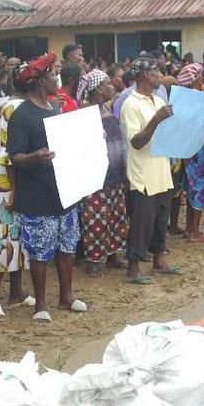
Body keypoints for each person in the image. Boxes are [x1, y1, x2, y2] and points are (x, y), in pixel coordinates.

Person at [7, 53, 87, 322]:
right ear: (41, 81)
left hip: (63, 191)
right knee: (40, 252)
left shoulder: (54, 108)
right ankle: (40, 304)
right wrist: (34, 157)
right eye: (54, 75)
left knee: (67, 247)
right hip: (37, 194)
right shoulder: (22, 115)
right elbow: (14, 156)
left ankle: (67, 296)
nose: (58, 80)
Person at [121, 56, 181, 283]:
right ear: (145, 75)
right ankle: (133, 268)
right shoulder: (131, 104)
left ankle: (158, 259)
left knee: (160, 220)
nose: (160, 77)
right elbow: (136, 142)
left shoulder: (157, 100)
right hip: (142, 173)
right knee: (141, 223)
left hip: (161, 169)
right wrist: (156, 119)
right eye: (157, 73)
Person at [0, 91, 34, 321]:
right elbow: (9, 151)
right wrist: (12, 188)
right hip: (6, 176)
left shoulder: (23, 104)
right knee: (3, 233)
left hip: (19, 175)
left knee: (17, 234)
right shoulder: (14, 106)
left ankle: (16, 292)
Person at [78, 69, 129, 276]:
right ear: (98, 89)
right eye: (107, 84)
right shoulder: (84, 114)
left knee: (116, 215)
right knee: (96, 218)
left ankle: (113, 254)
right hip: (95, 176)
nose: (112, 87)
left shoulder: (107, 110)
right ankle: (94, 260)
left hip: (115, 173)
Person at [173, 63, 204, 242]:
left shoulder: (181, 98)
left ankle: (190, 228)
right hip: (200, 150)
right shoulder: (200, 98)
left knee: (190, 187)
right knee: (199, 187)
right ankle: (194, 232)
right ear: (197, 78)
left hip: (186, 149)